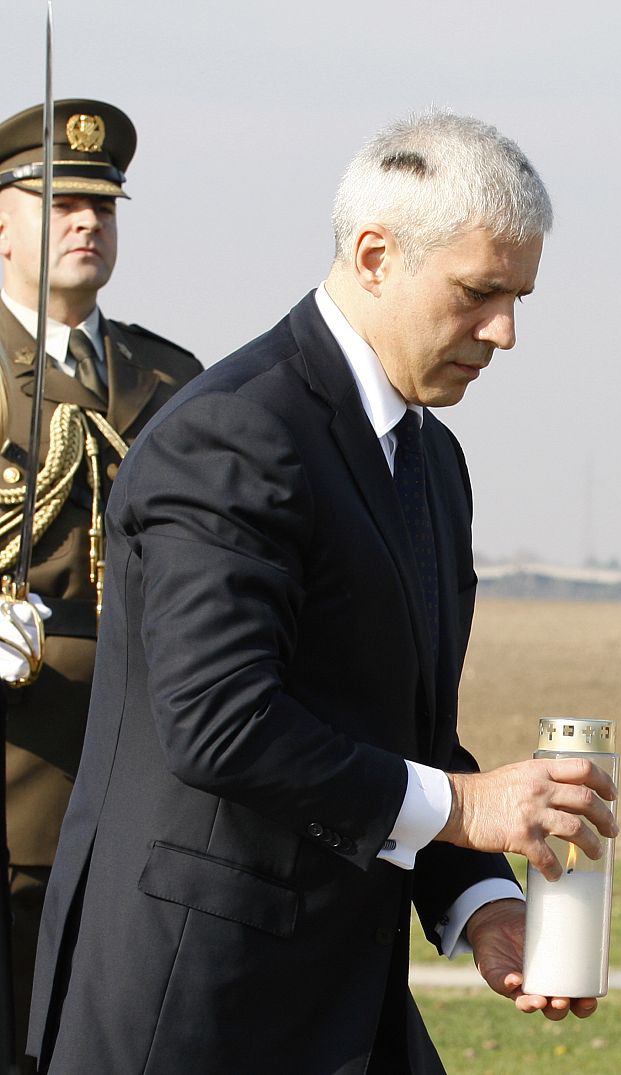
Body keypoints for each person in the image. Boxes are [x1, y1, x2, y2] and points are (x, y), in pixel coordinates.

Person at [26, 110, 619, 1073]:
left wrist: (478, 899)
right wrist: (467, 808)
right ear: (375, 254)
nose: (505, 332)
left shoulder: (433, 460)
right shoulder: (233, 432)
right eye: (479, 293)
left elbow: (400, 730)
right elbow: (220, 721)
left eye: (518, 297)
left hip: (342, 996)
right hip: (195, 1007)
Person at [0, 98, 202, 1070]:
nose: (88, 221)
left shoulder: (171, 379)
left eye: (104, 206)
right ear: (2, 221)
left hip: (132, 791)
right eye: (59, 201)